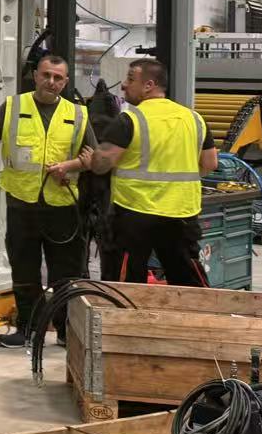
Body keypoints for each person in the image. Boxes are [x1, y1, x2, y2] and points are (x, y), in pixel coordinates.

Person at [0, 54, 96, 348]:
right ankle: (28, 329)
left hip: (62, 206)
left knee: (65, 273)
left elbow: (93, 158)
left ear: (65, 82)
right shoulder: (13, 106)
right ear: (35, 76)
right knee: (24, 270)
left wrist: (73, 165)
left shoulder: (77, 114)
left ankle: (66, 330)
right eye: (46, 75)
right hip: (22, 203)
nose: (51, 82)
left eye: (58, 78)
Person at [88, 57, 217, 287]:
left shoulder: (129, 120)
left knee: (125, 284)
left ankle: (126, 312)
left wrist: (92, 157)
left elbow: (101, 165)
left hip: (134, 213)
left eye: (130, 79)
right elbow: (210, 163)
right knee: (187, 280)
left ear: (149, 85)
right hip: (181, 213)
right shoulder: (195, 119)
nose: (124, 85)